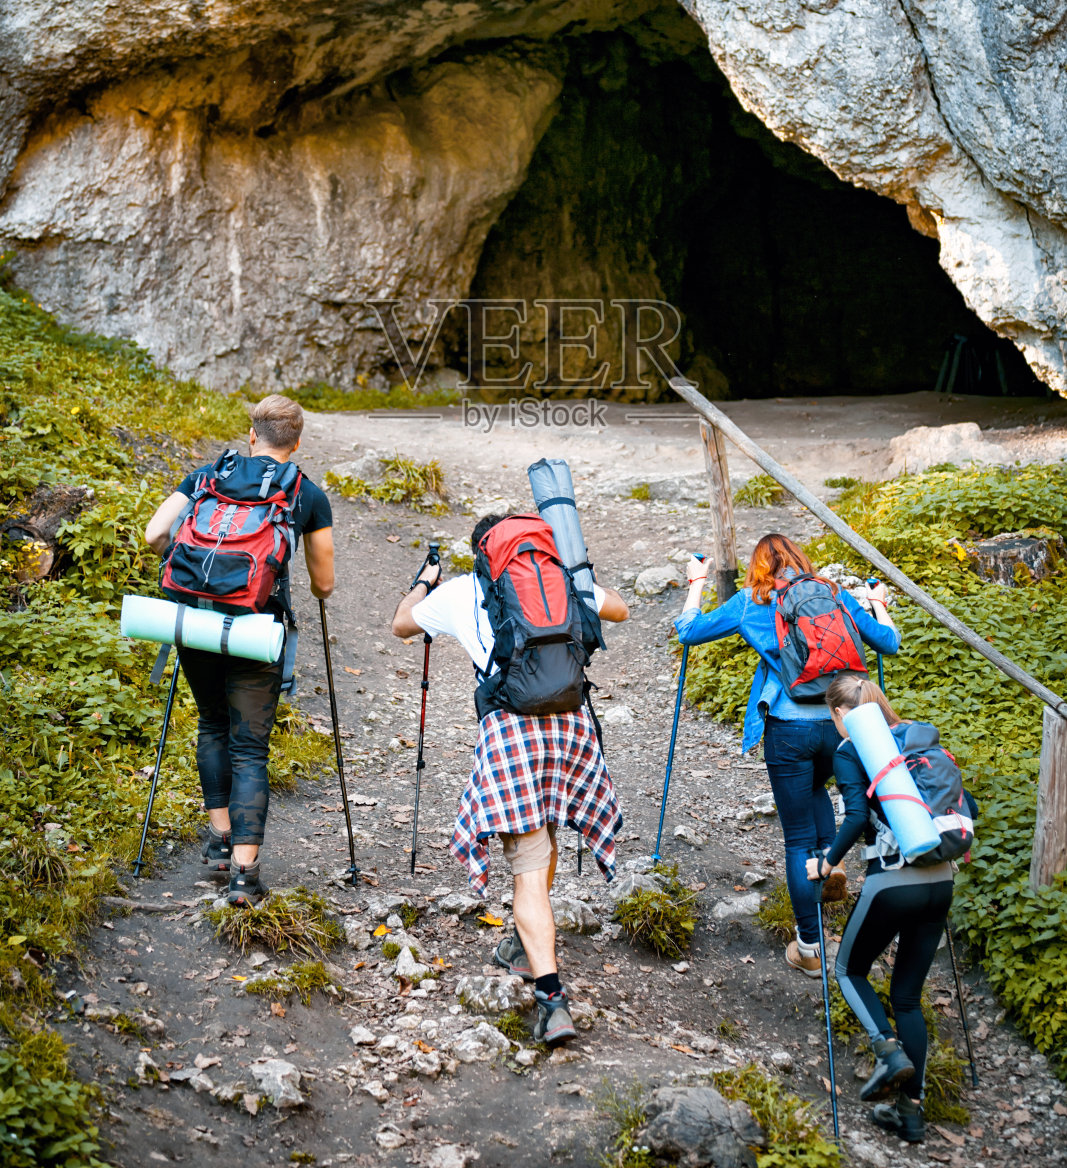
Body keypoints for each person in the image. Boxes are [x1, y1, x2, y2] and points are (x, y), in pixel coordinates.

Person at [391, 513, 628, 1046]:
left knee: (526, 864)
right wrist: (572, 577)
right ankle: (524, 945)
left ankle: (551, 999)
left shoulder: (464, 590)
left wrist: (424, 583)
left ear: (482, 551)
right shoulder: (559, 579)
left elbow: (402, 625)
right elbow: (620, 608)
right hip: (571, 725)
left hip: (511, 730)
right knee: (544, 837)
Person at [676, 533, 899, 976]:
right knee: (819, 789)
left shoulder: (749, 601)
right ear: (800, 560)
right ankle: (828, 863)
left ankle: (809, 948)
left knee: (796, 839)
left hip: (789, 727)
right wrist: (878, 603)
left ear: (759, 568)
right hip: (842, 725)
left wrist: (697, 582)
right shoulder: (833, 594)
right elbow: (887, 644)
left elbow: (688, 632)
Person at [145, 395, 334, 905]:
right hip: (255, 628)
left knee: (211, 724)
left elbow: (155, 532)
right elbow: (324, 583)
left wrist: (195, 573)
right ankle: (245, 877)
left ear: (252, 434)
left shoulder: (208, 475)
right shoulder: (305, 494)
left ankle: (219, 840)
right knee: (249, 746)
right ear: (296, 444)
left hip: (197, 620)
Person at [807, 674, 974, 1146]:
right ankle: (911, 1115)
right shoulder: (920, 740)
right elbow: (968, 805)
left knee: (847, 970)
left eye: (831, 715)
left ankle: (887, 1050)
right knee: (907, 999)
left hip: (893, 882)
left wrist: (826, 862)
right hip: (941, 882)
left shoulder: (852, 748)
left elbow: (857, 816)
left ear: (841, 714)